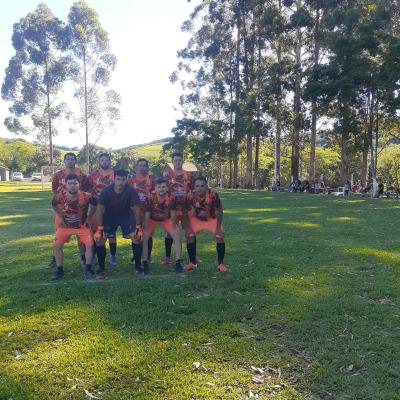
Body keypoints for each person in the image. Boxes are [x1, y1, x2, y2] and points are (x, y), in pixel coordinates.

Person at [95, 169, 142, 279]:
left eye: (123, 180)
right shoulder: (106, 191)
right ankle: (101, 269)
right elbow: (100, 209)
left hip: (126, 216)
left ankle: (138, 266)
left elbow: (136, 209)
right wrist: (100, 227)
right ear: (113, 179)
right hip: (110, 216)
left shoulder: (131, 191)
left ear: (127, 180)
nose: (121, 182)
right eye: (118, 179)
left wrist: (138, 226)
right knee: (100, 239)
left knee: (137, 237)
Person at [51, 174, 96, 280]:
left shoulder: (86, 195)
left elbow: (95, 204)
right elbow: (53, 204)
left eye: (75, 183)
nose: (72, 186)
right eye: (70, 183)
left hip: (81, 226)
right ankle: (59, 269)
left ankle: (88, 268)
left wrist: (89, 217)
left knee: (89, 244)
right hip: (65, 226)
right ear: (65, 185)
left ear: (79, 184)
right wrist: (61, 217)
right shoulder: (60, 195)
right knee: (56, 245)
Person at [49, 153, 89, 268]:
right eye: (68, 159)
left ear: (75, 161)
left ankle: (83, 257)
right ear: (64, 161)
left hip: (78, 210)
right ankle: (55, 259)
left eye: (72, 159)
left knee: (80, 234)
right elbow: (54, 190)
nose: (70, 161)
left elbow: (86, 191)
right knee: (58, 233)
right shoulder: (58, 175)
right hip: (63, 210)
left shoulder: (82, 175)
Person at [184, 176, 227, 273]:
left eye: (202, 186)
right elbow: (185, 212)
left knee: (219, 236)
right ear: (194, 187)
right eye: (197, 186)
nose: (199, 188)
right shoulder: (190, 196)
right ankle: (193, 262)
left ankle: (221, 263)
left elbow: (220, 211)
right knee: (190, 235)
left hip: (211, 219)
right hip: (197, 219)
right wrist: (188, 227)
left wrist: (218, 228)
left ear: (206, 186)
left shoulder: (213, 195)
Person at [142, 178, 182, 273]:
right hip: (152, 219)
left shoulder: (171, 197)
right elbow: (147, 214)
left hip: (167, 219)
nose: (161, 189)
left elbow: (173, 214)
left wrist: (174, 227)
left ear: (167, 188)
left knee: (177, 236)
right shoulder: (150, 197)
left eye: (163, 187)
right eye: (159, 187)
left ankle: (178, 262)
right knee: (144, 237)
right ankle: (145, 262)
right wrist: (145, 226)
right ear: (155, 189)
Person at [162, 152, 192, 265]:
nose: (178, 162)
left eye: (180, 160)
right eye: (175, 160)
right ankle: (168, 257)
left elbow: (193, 190)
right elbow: (161, 189)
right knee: (169, 233)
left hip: (185, 209)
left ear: (182, 161)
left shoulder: (188, 175)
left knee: (189, 232)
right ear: (172, 162)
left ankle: (192, 256)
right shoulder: (167, 175)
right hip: (171, 209)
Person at [88, 153, 115, 273]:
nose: (104, 161)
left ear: (109, 161)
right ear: (99, 161)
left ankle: (113, 255)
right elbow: (88, 190)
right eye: (102, 160)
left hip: (111, 207)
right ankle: (94, 254)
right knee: (96, 232)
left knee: (111, 233)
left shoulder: (114, 173)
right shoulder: (93, 175)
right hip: (96, 206)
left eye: (106, 160)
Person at [128, 158, 154, 264]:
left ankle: (147, 257)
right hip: (134, 212)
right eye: (140, 165)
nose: (142, 168)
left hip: (148, 211)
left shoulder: (151, 180)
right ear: (136, 167)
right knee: (136, 235)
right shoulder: (131, 181)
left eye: (144, 166)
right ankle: (136, 257)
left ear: (147, 168)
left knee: (148, 234)